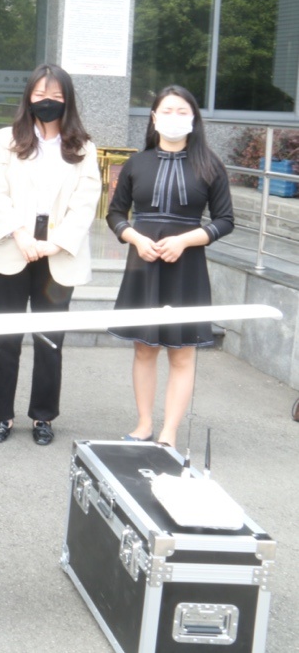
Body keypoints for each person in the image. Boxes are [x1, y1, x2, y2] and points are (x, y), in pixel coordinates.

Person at [107, 85, 233, 447]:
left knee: (182, 352)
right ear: (154, 117)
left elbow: (225, 220)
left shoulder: (210, 165)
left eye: (182, 112)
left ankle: (169, 432)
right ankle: (144, 424)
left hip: (187, 268)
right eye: (167, 111)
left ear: (194, 118)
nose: (174, 118)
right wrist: (134, 238)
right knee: (144, 348)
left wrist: (185, 241)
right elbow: (115, 213)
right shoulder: (137, 163)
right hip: (143, 264)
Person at [0, 64, 100, 447]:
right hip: (12, 248)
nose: (47, 101)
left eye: (56, 96)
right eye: (40, 94)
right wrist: (19, 233)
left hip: (57, 254)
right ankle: (2, 413)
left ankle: (43, 416)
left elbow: (86, 202)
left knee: (50, 340)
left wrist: (55, 243)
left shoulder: (83, 147)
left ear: (68, 100)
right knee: (7, 337)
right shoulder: (6, 139)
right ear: (28, 97)